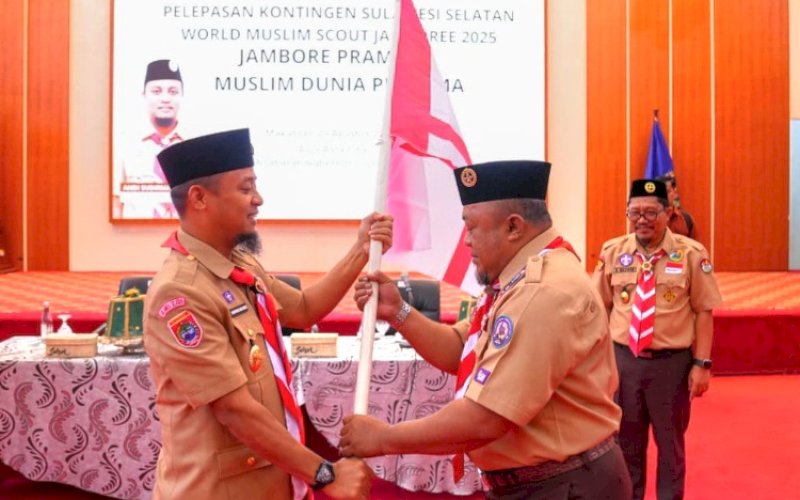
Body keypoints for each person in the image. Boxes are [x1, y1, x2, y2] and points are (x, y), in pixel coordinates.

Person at [339, 160, 631, 499]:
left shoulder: (542, 292)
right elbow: (460, 350)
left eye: (473, 227)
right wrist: (399, 312)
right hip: (545, 481)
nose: (466, 241)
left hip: (563, 485)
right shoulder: (517, 281)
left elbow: (484, 418)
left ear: (513, 228)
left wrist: (384, 438)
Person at [143, 128, 392, 499]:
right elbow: (235, 410)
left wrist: (361, 249)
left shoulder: (238, 263)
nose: (257, 199)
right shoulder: (181, 292)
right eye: (245, 188)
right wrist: (324, 474)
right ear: (199, 198)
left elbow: (304, 309)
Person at [592, 179, 721, 500]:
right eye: (635, 212)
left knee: (670, 447)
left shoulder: (691, 254)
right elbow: (599, 310)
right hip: (624, 363)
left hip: (671, 366)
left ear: (669, 212)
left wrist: (701, 365)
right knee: (626, 446)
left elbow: (704, 311)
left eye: (651, 212)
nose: (642, 220)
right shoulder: (613, 252)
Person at [118, 59, 186, 219]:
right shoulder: (124, 146)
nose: (165, 98)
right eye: (156, 91)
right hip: (134, 239)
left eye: (173, 91)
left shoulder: (197, 147)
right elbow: (115, 205)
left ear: (182, 95)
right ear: (144, 95)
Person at [656, 174, 695, 239]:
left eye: (667, 191)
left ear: (675, 193)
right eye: (660, 192)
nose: (664, 196)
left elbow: (694, 247)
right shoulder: (647, 220)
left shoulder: (687, 219)